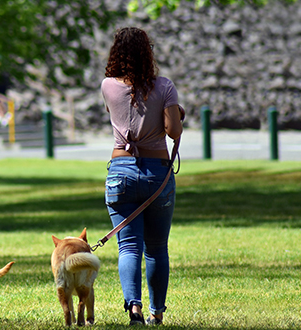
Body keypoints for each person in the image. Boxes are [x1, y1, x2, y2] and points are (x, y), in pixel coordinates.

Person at [101, 27, 183, 326]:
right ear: (148, 53)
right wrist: (175, 111)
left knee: (129, 246)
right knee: (157, 248)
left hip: (119, 173)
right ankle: (156, 312)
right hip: (155, 173)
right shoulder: (165, 86)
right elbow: (173, 130)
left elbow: (127, 112)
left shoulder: (107, 85)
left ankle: (132, 307)